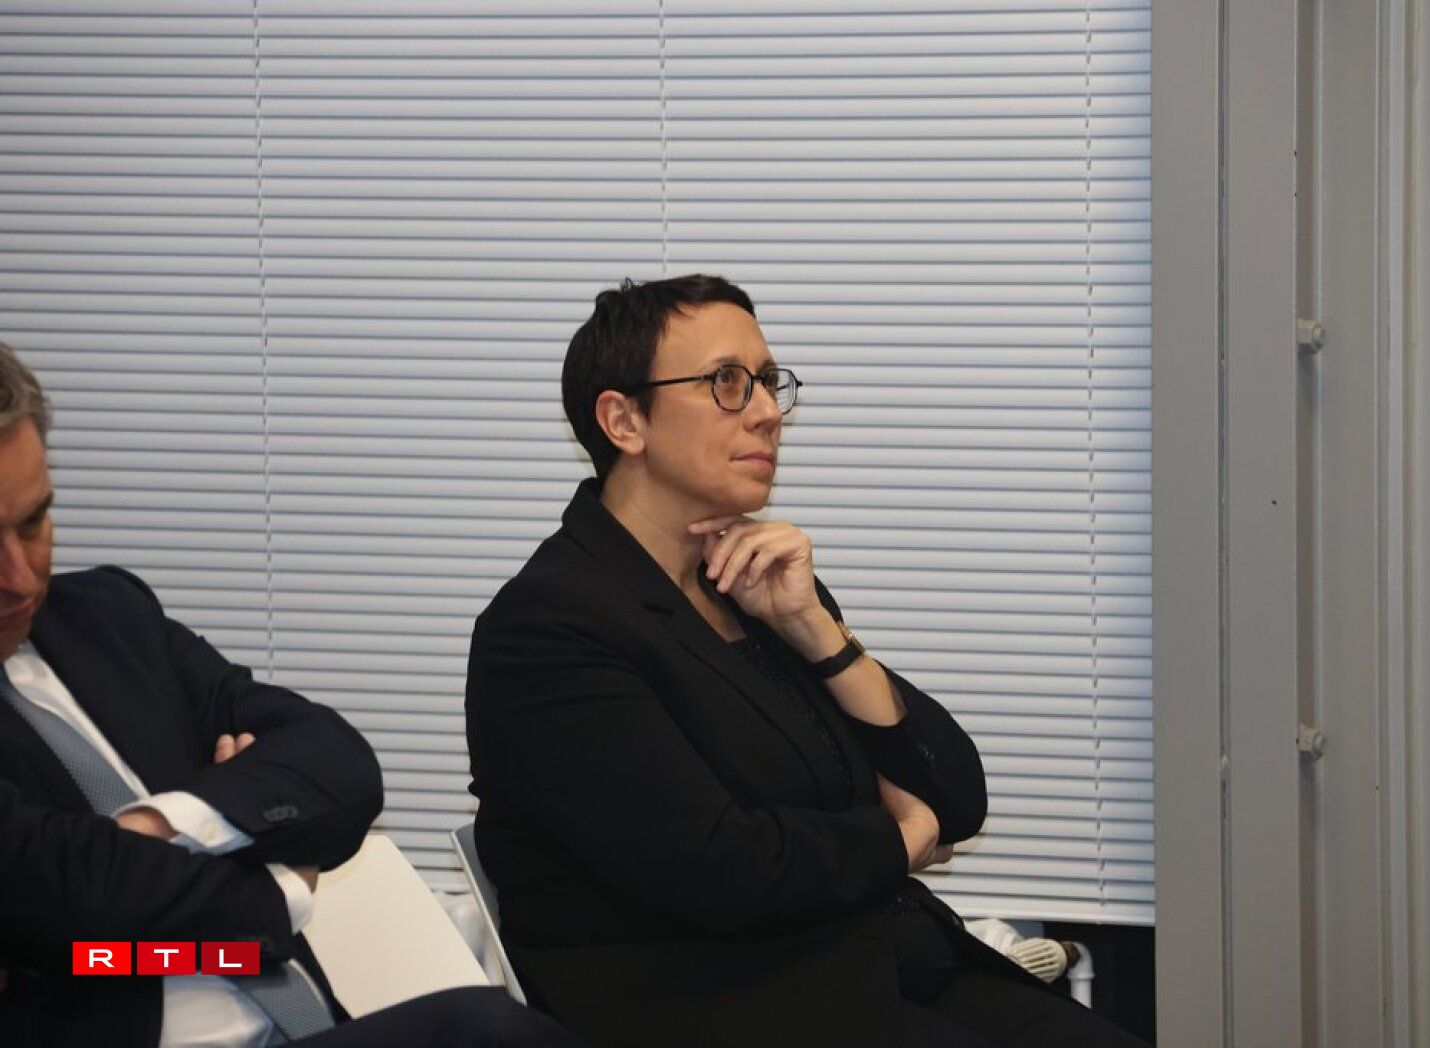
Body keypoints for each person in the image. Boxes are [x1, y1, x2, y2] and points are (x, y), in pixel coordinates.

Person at [466, 275, 1151, 1047]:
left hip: (874, 966)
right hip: (727, 1009)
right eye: (727, 382)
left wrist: (816, 631)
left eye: (768, 381)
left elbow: (954, 797)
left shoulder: (753, 587)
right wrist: (900, 841)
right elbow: (725, 868)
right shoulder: (549, 628)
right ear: (624, 421)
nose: (767, 411)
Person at [0, 343, 580, 1048]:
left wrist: (159, 825)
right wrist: (274, 882)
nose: (20, 576)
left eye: (33, 523)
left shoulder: (107, 617)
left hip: (298, 1021)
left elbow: (339, 765)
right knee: (481, 1032)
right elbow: (69, 897)